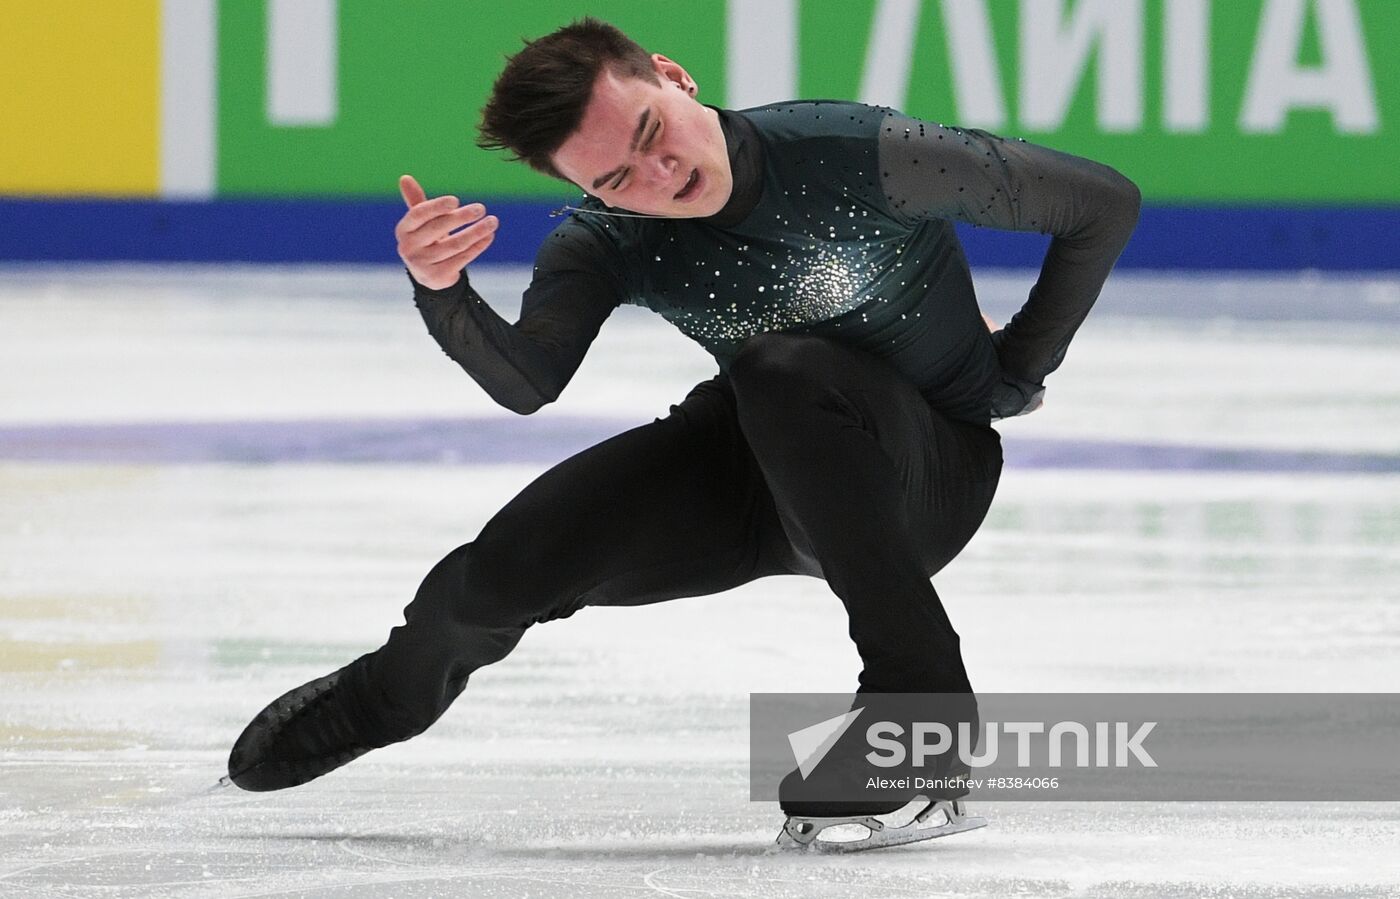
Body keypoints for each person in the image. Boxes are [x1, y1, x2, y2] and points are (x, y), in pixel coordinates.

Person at [227, 17, 1139, 841]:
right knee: (503, 568)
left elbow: (1101, 204)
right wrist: (442, 291)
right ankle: (389, 693)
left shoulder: (850, 151)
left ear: (673, 77)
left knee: (782, 372)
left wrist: (1017, 369)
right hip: (760, 457)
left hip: (925, 475)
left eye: (652, 134)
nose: (660, 177)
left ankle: (919, 717)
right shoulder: (606, 240)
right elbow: (527, 380)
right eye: (617, 180)